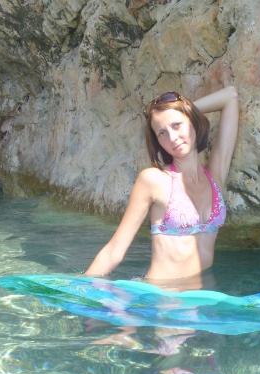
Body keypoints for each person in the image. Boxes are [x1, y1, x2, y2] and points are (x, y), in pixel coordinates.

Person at [84, 86, 239, 283]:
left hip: (204, 295)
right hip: (160, 296)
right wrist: (80, 290)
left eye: (177, 125)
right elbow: (114, 251)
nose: (172, 138)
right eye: (162, 133)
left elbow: (230, 96)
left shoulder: (215, 175)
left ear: (193, 121)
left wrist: (184, 109)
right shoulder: (154, 179)